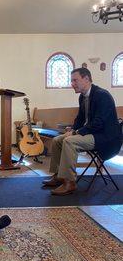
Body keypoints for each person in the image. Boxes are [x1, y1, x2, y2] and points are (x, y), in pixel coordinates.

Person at [43, 67, 121, 195]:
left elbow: (99, 122)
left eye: (75, 80)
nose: (72, 84)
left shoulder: (102, 95)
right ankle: (59, 176)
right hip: (91, 133)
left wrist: (76, 132)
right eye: (71, 81)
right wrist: (73, 128)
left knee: (69, 141)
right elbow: (80, 118)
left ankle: (70, 182)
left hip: (105, 137)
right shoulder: (82, 97)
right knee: (57, 140)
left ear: (86, 79)